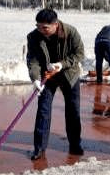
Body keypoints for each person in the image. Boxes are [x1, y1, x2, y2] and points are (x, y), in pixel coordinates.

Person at [27, 9, 85, 160]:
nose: (41, 30)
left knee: (73, 111)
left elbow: (79, 54)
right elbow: (33, 60)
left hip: (69, 75)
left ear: (55, 24)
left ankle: (75, 144)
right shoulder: (34, 37)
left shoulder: (71, 32)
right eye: (38, 26)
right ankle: (39, 148)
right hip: (48, 77)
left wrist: (61, 64)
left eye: (44, 27)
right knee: (43, 111)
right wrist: (35, 79)